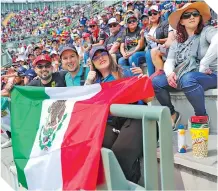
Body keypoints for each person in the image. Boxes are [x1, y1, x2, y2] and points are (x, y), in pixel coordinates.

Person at [85, 45, 151, 183]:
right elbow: (86, 107)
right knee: (96, 149)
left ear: (108, 55)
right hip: (111, 123)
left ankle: (130, 184)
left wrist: (145, 80)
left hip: (136, 117)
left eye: (102, 53)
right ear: (92, 64)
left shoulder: (127, 71)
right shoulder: (94, 84)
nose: (100, 58)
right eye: (95, 57)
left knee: (120, 153)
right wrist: (88, 82)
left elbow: (148, 99)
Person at [152, 2, 217, 130]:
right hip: (186, 76)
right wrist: (170, 74)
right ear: (181, 22)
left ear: (199, 17)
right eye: (187, 15)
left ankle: (201, 117)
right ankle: (172, 114)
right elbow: (169, 61)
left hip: (212, 74)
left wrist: (204, 63)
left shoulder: (207, 31)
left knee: (188, 79)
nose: (192, 17)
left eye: (195, 14)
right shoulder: (178, 42)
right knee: (156, 82)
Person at [145, 5, 169, 76]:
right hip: (152, 49)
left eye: (154, 13)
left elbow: (169, 39)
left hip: (164, 48)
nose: (152, 15)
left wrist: (156, 40)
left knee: (149, 52)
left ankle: (152, 77)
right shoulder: (148, 28)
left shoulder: (164, 24)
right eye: (150, 14)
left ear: (159, 14)